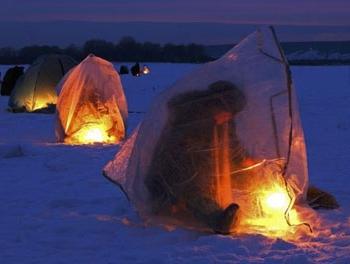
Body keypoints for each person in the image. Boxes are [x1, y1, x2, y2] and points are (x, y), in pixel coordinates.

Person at [145, 81, 247, 234]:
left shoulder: (223, 120)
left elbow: (232, 144)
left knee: (242, 175)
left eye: (231, 114)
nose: (228, 117)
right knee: (194, 193)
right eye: (226, 112)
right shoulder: (188, 117)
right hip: (172, 175)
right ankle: (218, 220)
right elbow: (179, 151)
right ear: (215, 104)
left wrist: (244, 161)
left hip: (201, 170)